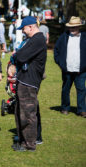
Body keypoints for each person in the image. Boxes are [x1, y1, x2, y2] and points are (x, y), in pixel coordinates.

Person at [12, 16, 47, 151]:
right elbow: (20, 55)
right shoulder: (33, 40)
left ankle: (29, 144)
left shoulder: (38, 40)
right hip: (24, 80)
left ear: (31, 27)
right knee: (20, 112)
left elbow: (20, 56)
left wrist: (17, 55)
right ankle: (22, 139)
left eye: (24, 29)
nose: (23, 31)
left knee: (28, 114)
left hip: (29, 82)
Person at [54, 16, 86, 117]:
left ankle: (81, 110)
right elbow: (56, 51)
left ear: (79, 27)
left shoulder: (85, 37)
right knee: (65, 89)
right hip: (67, 69)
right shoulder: (63, 37)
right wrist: (60, 63)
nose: (72, 29)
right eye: (71, 27)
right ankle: (65, 108)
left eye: (74, 27)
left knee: (81, 89)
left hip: (81, 70)